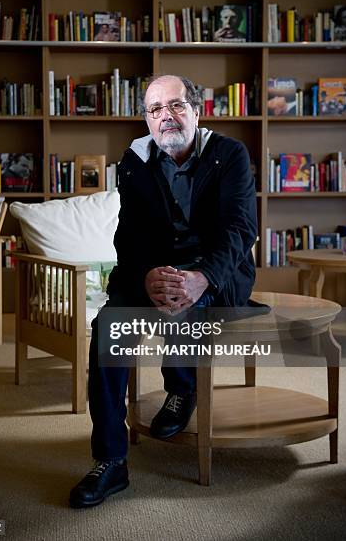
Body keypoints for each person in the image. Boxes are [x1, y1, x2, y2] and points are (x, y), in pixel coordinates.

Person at [69, 74, 258, 509]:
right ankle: (111, 461)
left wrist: (202, 277)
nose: (165, 117)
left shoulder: (229, 154)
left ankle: (181, 388)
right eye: (155, 110)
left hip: (216, 271)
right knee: (108, 329)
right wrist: (145, 277)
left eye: (175, 106)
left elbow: (240, 229)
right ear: (147, 120)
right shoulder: (136, 160)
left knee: (185, 307)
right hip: (155, 269)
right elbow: (129, 235)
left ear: (196, 111)